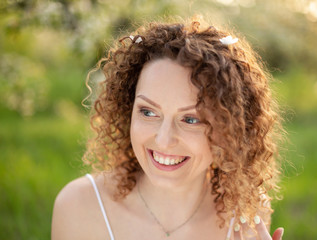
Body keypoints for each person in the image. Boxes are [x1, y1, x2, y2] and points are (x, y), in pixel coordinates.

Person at [51, 17, 285, 240]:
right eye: (148, 112)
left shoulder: (245, 213)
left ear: (229, 128)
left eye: (190, 119)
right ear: (128, 109)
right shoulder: (79, 206)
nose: (163, 140)